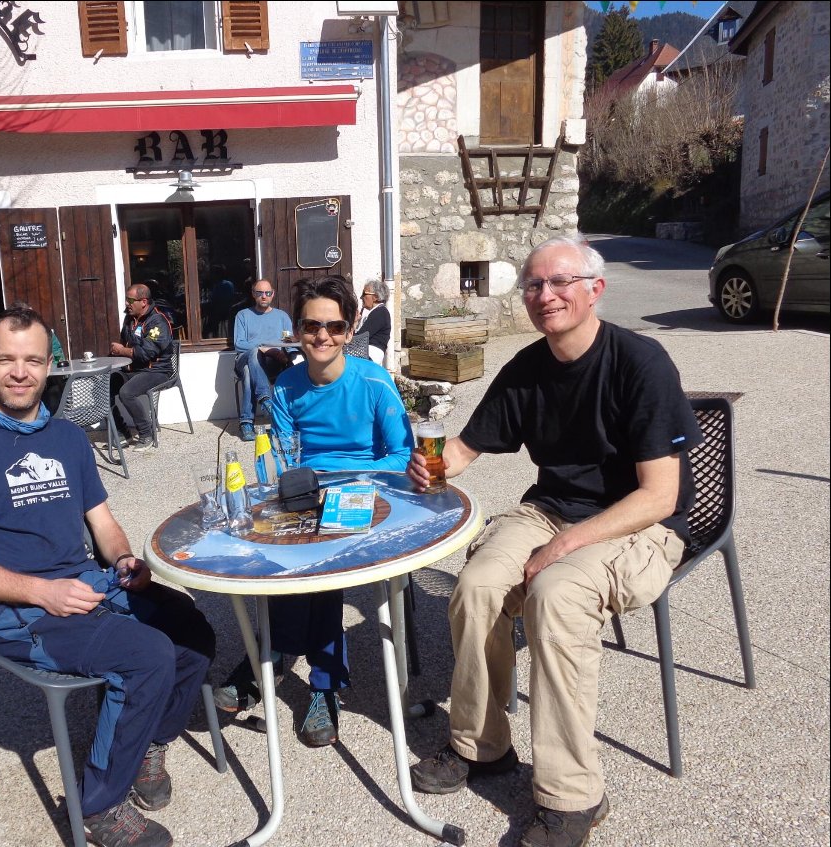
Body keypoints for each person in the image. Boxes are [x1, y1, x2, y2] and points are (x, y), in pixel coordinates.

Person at [408, 235, 701, 847]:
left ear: (595, 289)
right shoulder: (529, 367)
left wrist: (562, 550)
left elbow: (660, 497)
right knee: (480, 585)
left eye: (561, 281)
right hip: (551, 510)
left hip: (638, 522)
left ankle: (573, 798)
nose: (547, 295)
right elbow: (465, 448)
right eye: (535, 285)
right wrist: (430, 463)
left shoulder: (640, 362)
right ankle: (481, 746)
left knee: (556, 596)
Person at [0, 303, 214, 847]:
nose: (21, 372)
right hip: (17, 611)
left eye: (33, 360)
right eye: (7, 360)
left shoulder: (68, 438)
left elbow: (103, 523)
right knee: (147, 655)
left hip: (87, 584)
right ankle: (98, 807)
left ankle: (148, 742)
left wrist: (125, 561)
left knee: (192, 628)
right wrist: (45, 592)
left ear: (48, 365)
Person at [214, 275, 414, 747]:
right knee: (268, 546)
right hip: (303, 493)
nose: (323, 336)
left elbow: (402, 455)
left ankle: (309, 676)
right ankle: (279, 654)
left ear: (349, 330)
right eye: (312, 325)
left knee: (322, 560)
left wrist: (345, 483)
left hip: (368, 493)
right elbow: (279, 456)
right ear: (297, 330)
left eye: (335, 326)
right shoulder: (286, 385)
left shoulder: (373, 381)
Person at [109, 284, 173, 454]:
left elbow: (147, 353)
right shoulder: (129, 319)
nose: (126, 304)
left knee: (126, 393)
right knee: (104, 388)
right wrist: (118, 351)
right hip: (133, 369)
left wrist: (122, 350)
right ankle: (123, 431)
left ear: (143, 302)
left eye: (130, 300)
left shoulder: (157, 321)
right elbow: (125, 343)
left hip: (158, 371)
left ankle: (147, 433)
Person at [232, 278, 293, 441]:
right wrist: (262, 347)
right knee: (252, 354)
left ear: (272, 295)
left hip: (273, 363)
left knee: (248, 373)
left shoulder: (282, 317)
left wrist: (287, 356)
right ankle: (265, 399)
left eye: (267, 293)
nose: (264, 296)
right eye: (260, 293)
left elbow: (288, 342)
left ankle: (246, 423)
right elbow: (239, 344)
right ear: (253, 294)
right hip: (245, 358)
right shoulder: (243, 315)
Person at [356, 278, 392, 365]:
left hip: (370, 355)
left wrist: (353, 323)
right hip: (365, 354)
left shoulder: (380, 312)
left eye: (364, 294)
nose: (361, 297)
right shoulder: (376, 312)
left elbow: (360, 337)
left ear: (375, 297)